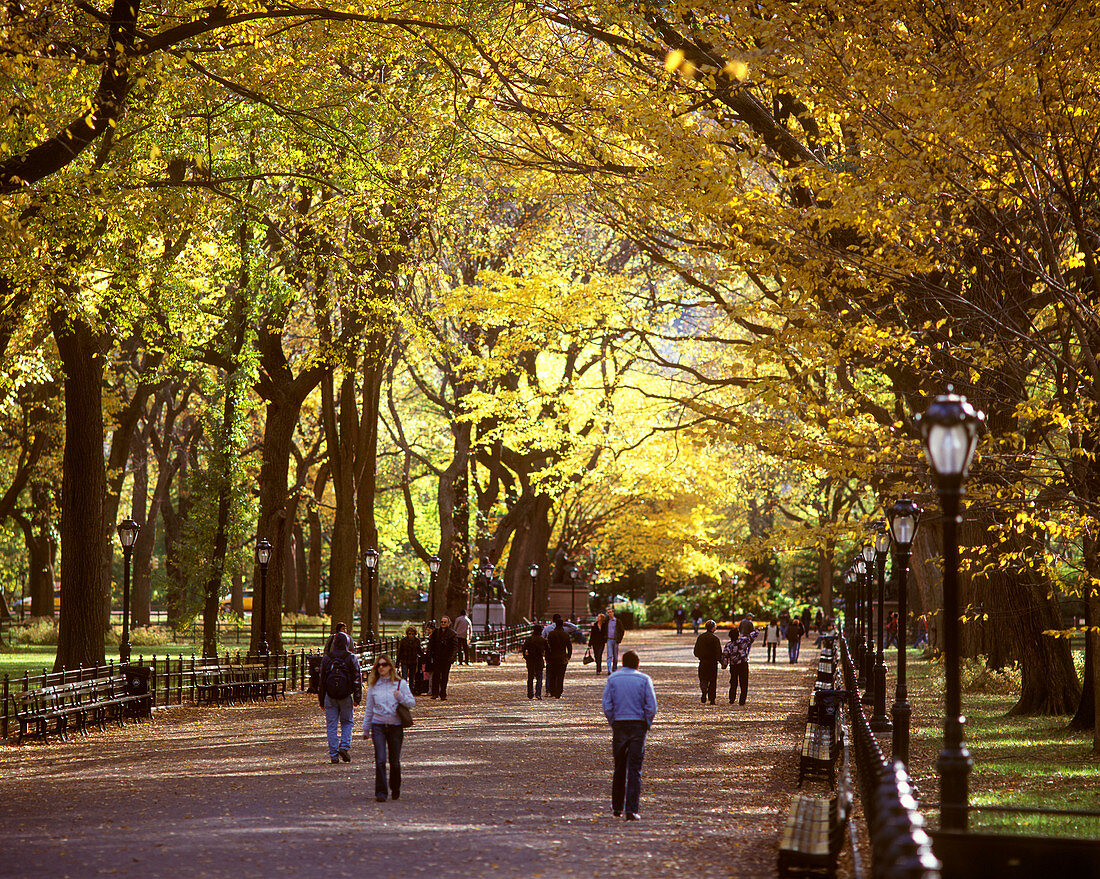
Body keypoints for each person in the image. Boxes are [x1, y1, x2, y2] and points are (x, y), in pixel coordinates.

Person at [601, 649, 657, 821]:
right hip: (637, 724)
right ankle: (631, 809)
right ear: (637, 664)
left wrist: (613, 721)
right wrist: (646, 722)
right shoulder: (644, 679)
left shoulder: (613, 679)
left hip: (619, 724)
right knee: (634, 768)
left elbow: (607, 704)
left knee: (619, 767)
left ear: (623, 663)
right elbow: (651, 706)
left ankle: (617, 806)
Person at [361, 654, 415, 802]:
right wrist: (365, 729)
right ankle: (381, 792)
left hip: (395, 726)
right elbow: (369, 709)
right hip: (378, 725)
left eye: (384, 664)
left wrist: (400, 697)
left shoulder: (400, 684)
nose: (381, 667)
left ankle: (395, 787)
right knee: (380, 759)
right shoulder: (373, 686)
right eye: (378, 665)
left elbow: (411, 702)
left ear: (390, 666)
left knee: (394, 761)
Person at [319, 631, 362, 763]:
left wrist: (321, 699)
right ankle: (344, 746)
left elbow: (321, 680)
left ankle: (333, 755)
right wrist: (357, 697)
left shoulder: (327, 658)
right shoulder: (351, 657)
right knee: (347, 722)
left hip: (330, 695)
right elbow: (357, 678)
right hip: (345, 695)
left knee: (331, 725)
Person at [722, 625, 759, 705]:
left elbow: (725, 656)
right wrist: (758, 629)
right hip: (743, 664)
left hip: (733, 665)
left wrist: (724, 665)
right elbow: (752, 636)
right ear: (738, 635)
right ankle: (742, 700)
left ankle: (732, 698)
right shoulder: (743, 641)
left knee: (733, 682)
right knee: (744, 683)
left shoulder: (728, 645)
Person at [427, 615, 458, 700]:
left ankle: (443, 693)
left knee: (444, 677)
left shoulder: (452, 634)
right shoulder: (436, 633)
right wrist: (429, 655)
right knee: (435, 676)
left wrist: (452, 657)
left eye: (445, 622)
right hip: (437, 657)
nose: (443, 624)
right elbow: (431, 644)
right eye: (442, 622)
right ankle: (434, 693)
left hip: (446, 658)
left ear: (448, 623)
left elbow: (455, 647)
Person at [693, 620, 722, 704]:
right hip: (712, 663)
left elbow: (696, 651)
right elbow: (718, 652)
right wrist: (722, 662)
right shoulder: (715, 639)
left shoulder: (700, 637)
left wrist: (700, 656)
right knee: (712, 680)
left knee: (703, 679)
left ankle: (704, 691)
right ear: (713, 628)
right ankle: (712, 699)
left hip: (703, 662)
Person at [546, 614, 573, 698]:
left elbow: (548, 647)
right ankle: (559, 692)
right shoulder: (565, 635)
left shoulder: (551, 634)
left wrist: (547, 657)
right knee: (560, 676)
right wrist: (568, 656)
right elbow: (569, 646)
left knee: (552, 675)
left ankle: (552, 691)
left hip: (552, 657)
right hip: (562, 657)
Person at [522, 623, 548, 699]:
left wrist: (525, 657)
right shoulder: (543, 640)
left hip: (530, 660)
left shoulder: (529, 639)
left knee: (530, 677)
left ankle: (530, 693)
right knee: (539, 678)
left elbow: (523, 649)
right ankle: (538, 693)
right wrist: (546, 659)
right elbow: (547, 651)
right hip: (539, 660)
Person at [601, 607, 626, 673]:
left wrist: (619, 639)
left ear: (613, 613)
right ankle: (609, 670)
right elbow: (602, 629)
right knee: (609, 655)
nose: (609, 614)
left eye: (610, 612)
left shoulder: (617, 621)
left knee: (615, 656)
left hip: (615, 640)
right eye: (608, 612)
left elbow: (622, 630)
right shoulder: (606, 622)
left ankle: (614, 669)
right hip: (609, 639)